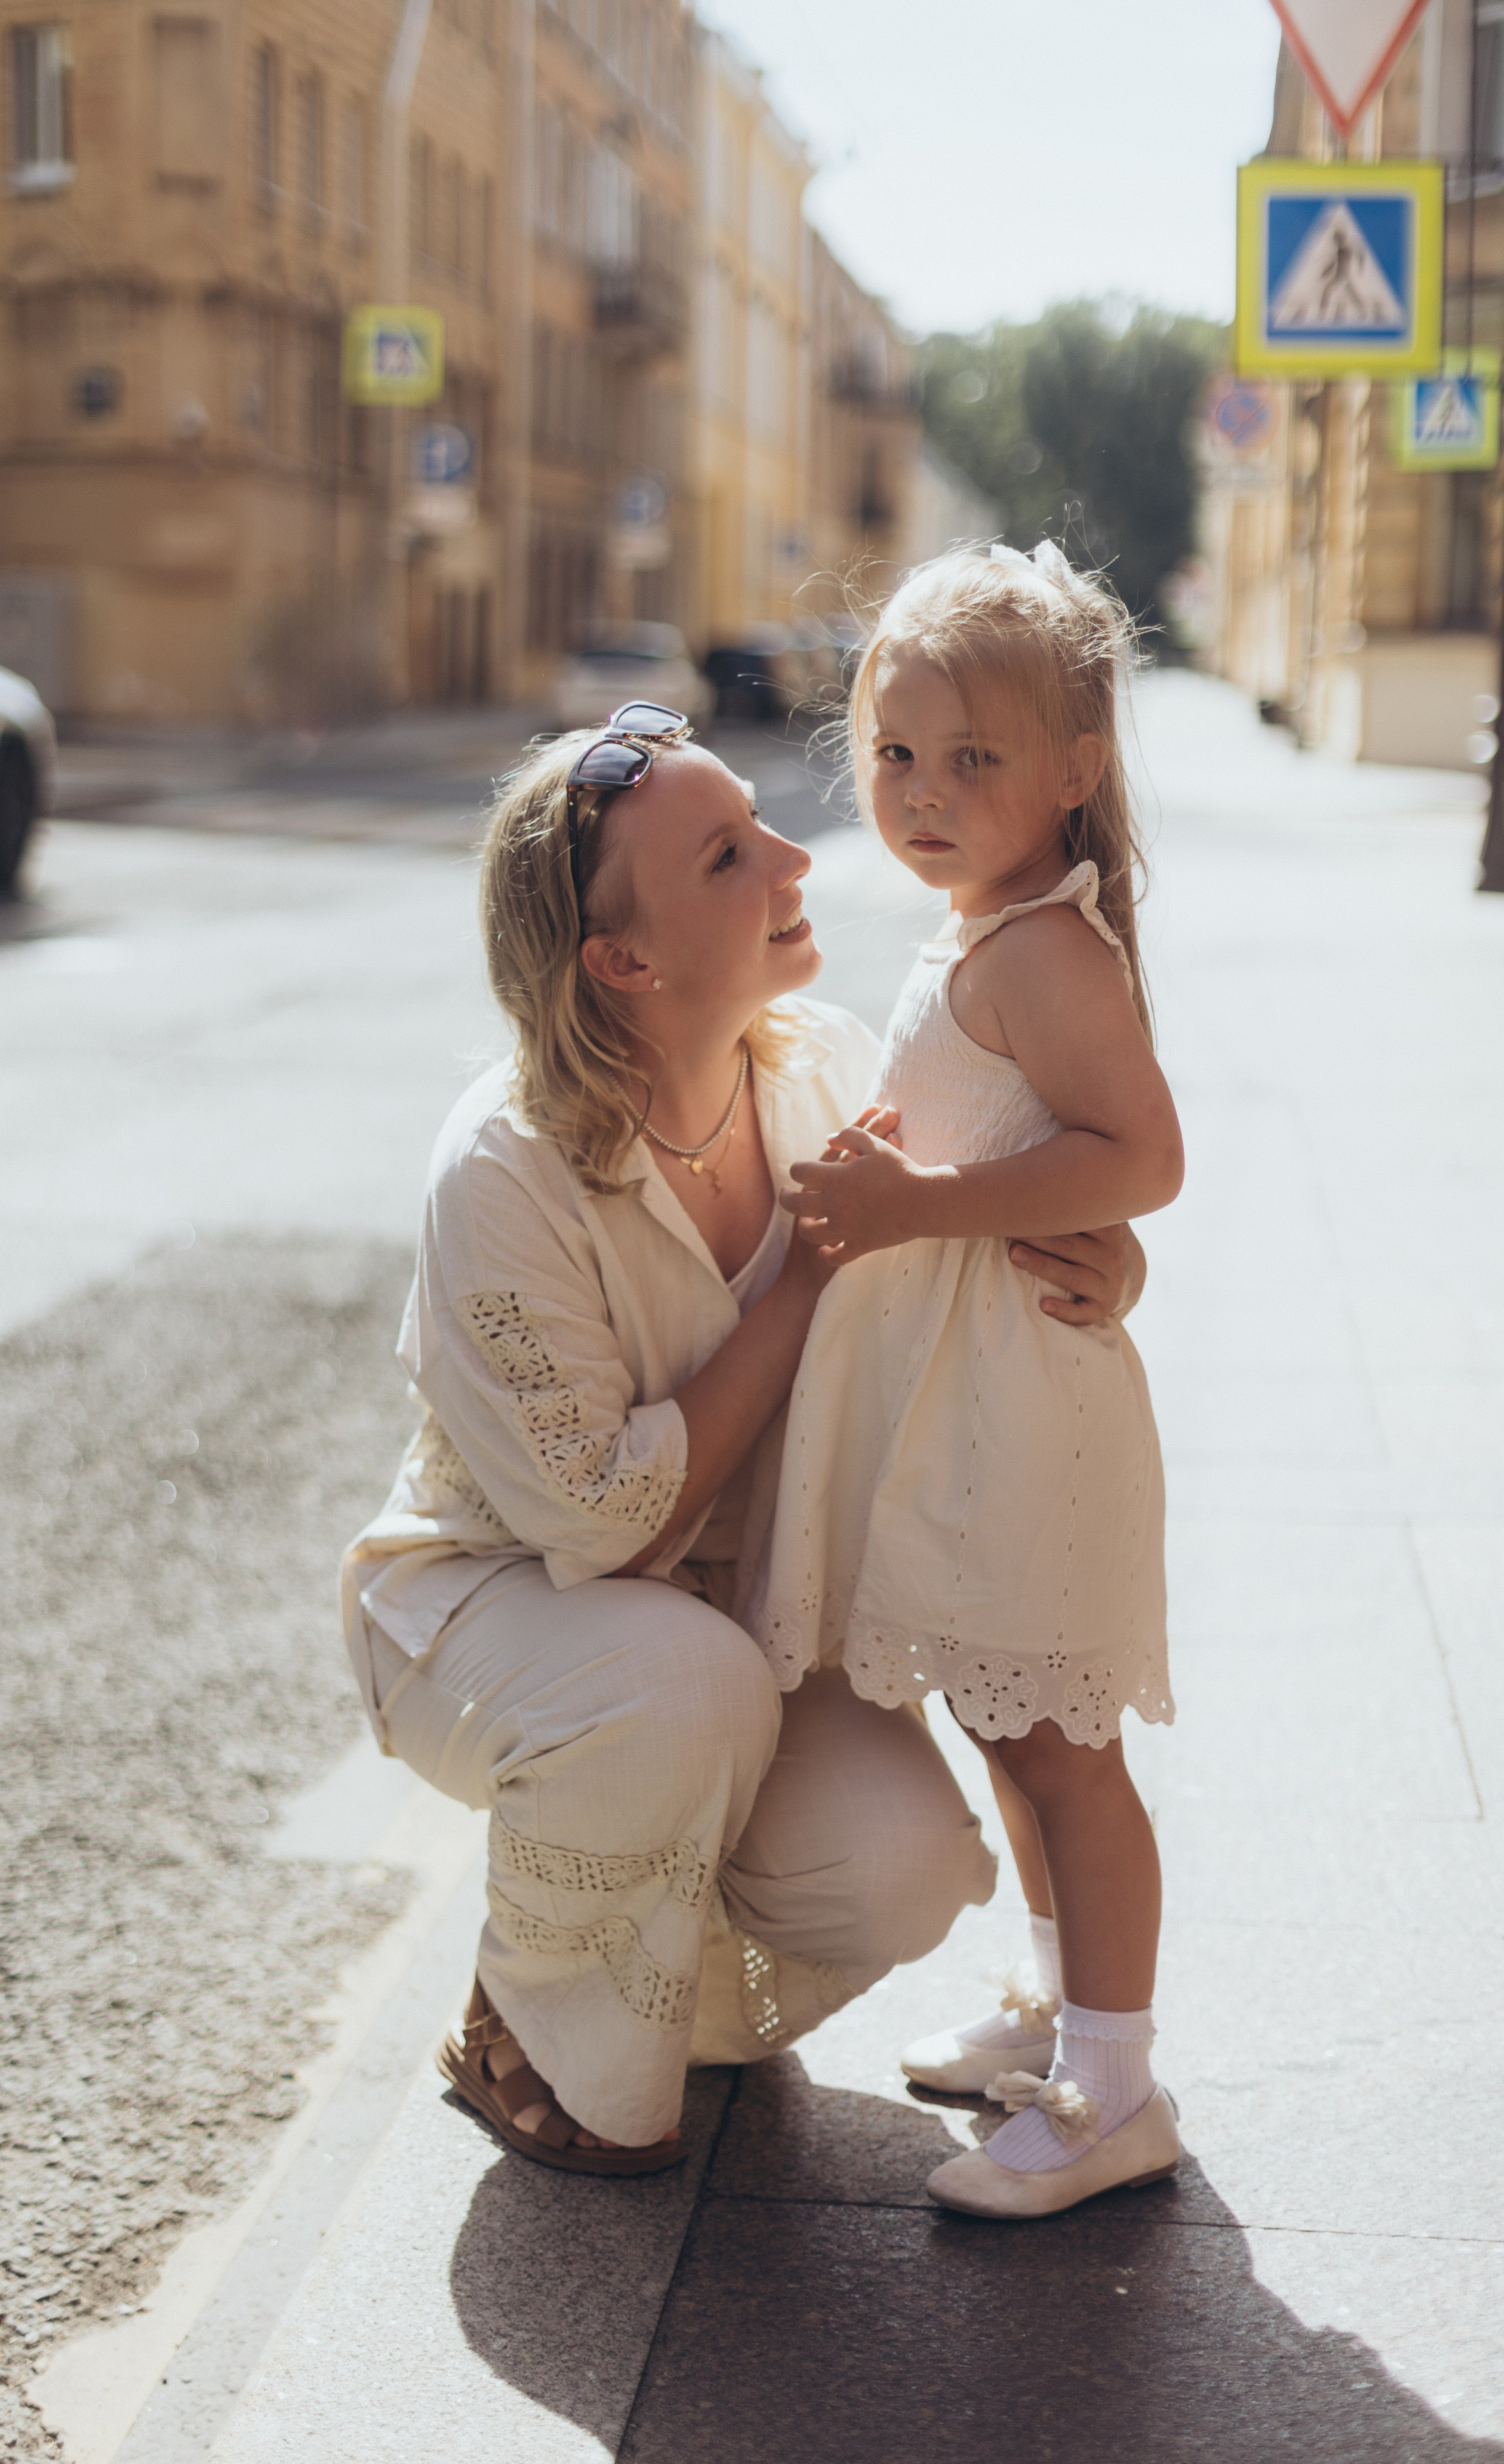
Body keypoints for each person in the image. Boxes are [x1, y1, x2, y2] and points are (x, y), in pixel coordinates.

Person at [341, 699, 1145, 2173]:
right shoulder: (504, 1173)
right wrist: (802, 1272)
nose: (794, 857)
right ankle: (530, 2022)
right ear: (623, 962)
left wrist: (1109, 1265)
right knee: (681, 1691)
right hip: (499, 1604)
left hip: (747, 1607)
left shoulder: (828, 1065)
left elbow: (997, 1216)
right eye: (729, 855)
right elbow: (603, 1527)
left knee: (906, 1868)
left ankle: (635, 1952)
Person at [748, 542, 1184, 2218]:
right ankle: (1062, 2012)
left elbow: (1140, 1153)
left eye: (972, 760)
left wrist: (917, 1204)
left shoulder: (1044, 953)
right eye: (897, 754)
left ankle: (1118, 2083)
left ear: (1076, 772)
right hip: (986, 1409)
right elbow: (1024, 1131)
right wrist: (910, 1160)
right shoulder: (985, 926)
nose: (921, 793)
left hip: (1036, 1421)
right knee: (1011, 1729)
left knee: (1065, 1748)